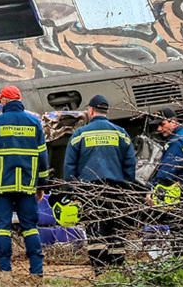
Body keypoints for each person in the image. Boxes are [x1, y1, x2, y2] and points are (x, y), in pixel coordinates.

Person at [0, 85, 48, 277]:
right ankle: (37, 272)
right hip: (27, 186)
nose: (0, 103)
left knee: (2, 228)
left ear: (6, 101)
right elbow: (43, 158)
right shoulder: (34, 123)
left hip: (2, 186)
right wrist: (41, 186)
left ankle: (5, 272)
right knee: (30, 228)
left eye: (1, 100)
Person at [63, 94, 137, 269]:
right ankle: (117, 271)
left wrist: (71, 191)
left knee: (96, 230)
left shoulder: (79, 135)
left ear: (90, 110)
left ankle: (100, 271)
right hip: (116, 190)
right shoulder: (121, 133)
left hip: (90, 190)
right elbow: (130, 164)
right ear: (107, 111)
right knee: (116, 230)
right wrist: (127, 188)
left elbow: (69, 166)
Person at [149, 107, 183, 205]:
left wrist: (151, 188)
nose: (159, 129)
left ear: (173, 121)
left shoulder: (178, 141)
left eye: (162, 124)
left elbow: (167, 170)